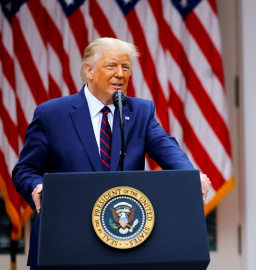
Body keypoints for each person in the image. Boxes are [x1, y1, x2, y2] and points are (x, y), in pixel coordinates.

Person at [12, 37, 211, 269]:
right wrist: (36, 187)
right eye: (111, 66)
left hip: (123, 242)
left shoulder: (140, 112)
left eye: (125, 67)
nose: (120, 74)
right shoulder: (51, 114)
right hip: (64, 240)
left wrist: (190, 177)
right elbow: (24, 169)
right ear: (89, 70)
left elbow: (169, 150)